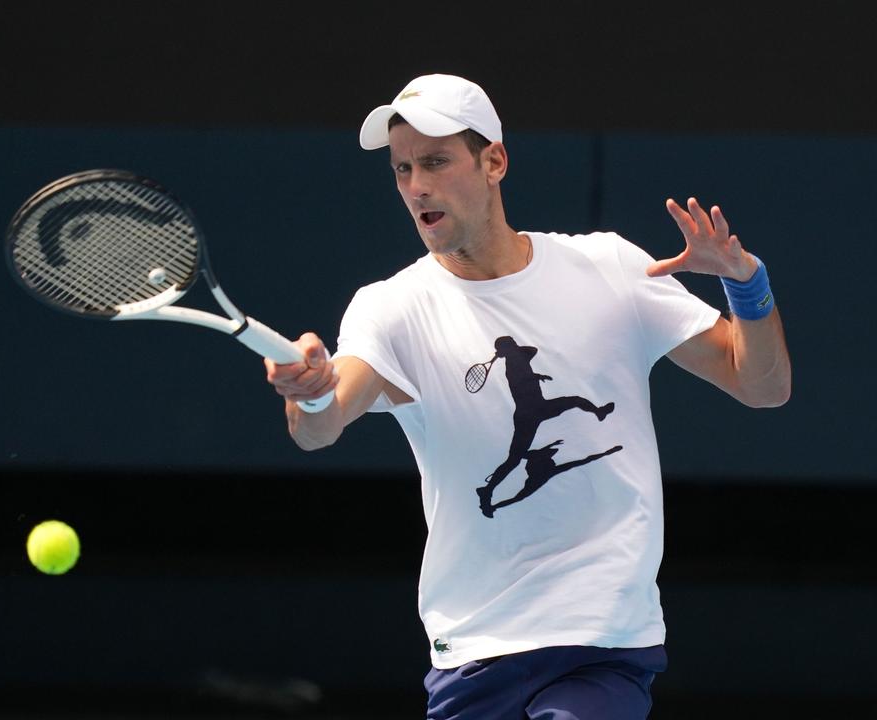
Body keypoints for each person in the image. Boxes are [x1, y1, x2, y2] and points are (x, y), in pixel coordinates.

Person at [265, 73, 791, 719]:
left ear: (494, 161)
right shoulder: (392, 309)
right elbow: (320, 426)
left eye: (434, 162)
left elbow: (762, 386)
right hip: (478, 646)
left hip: (603, 636)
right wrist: (311, 393)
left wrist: (748, 286)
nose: (416, 186)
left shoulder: (609, 268)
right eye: (402, 169)